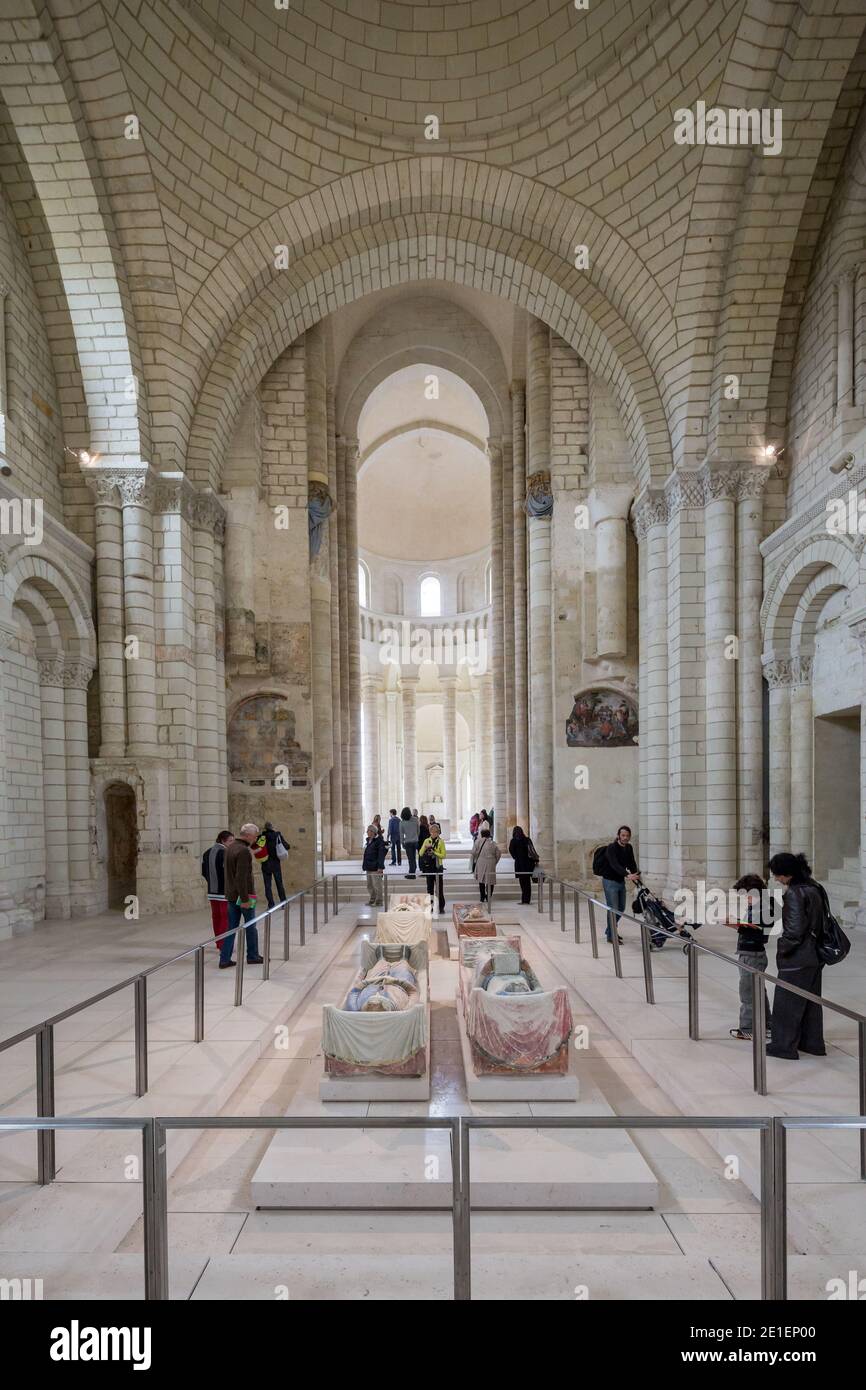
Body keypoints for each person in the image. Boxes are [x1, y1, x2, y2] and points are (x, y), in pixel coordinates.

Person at [766, 852, 827, 1060]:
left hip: (799, 956)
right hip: (815, 954)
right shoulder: (814, 887)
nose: (776, 879)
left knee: (786, 1002)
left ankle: (783, 1046)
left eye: (777, 875)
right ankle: (812, 1043)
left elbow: (794, 931)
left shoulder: (794, 893)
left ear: (787, 874)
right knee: (810, 1003)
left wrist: (782, 949)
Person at [723, 873, 772, 1041]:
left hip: (752, 955)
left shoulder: (764, 907)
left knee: (748, 993)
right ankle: (766, 1026)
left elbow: (760, 932)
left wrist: (737, 926)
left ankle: (748, 1028)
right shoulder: (760, 906)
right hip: (751, 953)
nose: (745, 899)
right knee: (758, 991)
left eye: (746, 895)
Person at [222, 823, 265, 969]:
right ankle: (253, 956)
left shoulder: (230, 848)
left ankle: (224, 959)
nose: (256, 838)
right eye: (255, 835)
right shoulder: (243, 851)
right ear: (247, 835)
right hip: (243, 896)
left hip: (231, 895)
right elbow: (241, 877)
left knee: (231, 928)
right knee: (251, 926)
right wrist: (245, 899)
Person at [599, 825, 640, 944]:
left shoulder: (629, 848)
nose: (625, 838)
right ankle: (611, 936)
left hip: (620, 881)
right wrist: (628, 875)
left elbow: (632, 863)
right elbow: (614, 864)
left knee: (621, 908)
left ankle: (609, 930)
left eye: (627, 836)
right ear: (618, 836)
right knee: (613, 908)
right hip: (609, 881)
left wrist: (635, 874)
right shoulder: (612, 848)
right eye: (623, 835)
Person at [201, 830, 234, 952]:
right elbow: (230, 873)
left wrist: (211, 881)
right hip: (224, 892)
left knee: (216, 917)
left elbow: (204, 872)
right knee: (225, 918)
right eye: (230, 841)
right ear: (222, 841)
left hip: (212, 891)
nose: (232, 843)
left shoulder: (206, 853)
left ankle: (218, 942)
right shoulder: (226, 853)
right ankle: (223, 944)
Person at [259, 820, 289, 909]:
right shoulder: (277, 835)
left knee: (267, 885)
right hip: (276, 863)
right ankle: (283, 903)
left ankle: (271, 904)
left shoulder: (262, 837)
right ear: (272, 827)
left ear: (265, 828)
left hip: (265, 864)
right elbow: (287, 846)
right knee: (279, 883)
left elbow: (258, 848)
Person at [419, 818, 446, 915]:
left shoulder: (441, 842)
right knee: (429, 888)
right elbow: (420, 853)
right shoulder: (427, 841)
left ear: (438, 832)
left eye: (436, 832)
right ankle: (430, 906)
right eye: (432, 831)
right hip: (429, 867)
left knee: (439, 889)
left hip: (438, 867)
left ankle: (441, 907)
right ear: (430, 832)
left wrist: (434, 852)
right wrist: (425, 848)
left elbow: (443, 855)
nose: (434, 833)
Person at [472, 825, 501, 905]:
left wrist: (477, 857)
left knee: (481, 880)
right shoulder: (493, 843)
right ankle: (489, 896)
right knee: (490, 880)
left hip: (481, 861)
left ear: (481, 834)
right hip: (491, 862)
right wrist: (495, 862)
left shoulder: (478, 841)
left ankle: (482, 897)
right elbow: (498, 854)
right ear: (489, 835)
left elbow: (473, 852)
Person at [508, 825, 538, 905]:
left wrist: (516, 857)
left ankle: (524, 900)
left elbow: (511, 851)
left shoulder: (513, 841)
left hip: (519, 864)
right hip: (528, 863)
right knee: (527, 882)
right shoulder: (527, 839)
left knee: (522, 882)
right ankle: (527, 900)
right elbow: (532, 850)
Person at [362, 822, 387, 906]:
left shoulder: (379, 841)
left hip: (376, 867)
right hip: (368, 866)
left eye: (368, 831)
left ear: (372, 831)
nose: (367, 832)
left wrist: (380, 867)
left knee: (377, 885)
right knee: (370, 886)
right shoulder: (369, 841)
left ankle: (379, 901)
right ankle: (372, 899)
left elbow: (381, 855)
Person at [400, 806, 419, 878]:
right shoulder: (415, 819)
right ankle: (412, 871)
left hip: (408, 842)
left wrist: (402, 843)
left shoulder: (402, 822)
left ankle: (412, 874)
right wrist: (416, 837)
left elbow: (401, 834)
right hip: (415, 841)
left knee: (410, 859)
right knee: (413, 857)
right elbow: (418, 830)